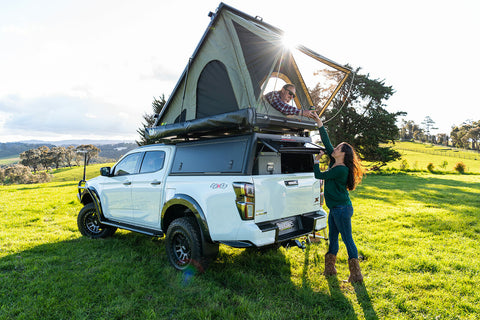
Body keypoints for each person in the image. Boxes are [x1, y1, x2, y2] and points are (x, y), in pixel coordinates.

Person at [312, 112, 365, 283]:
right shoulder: (336, 162)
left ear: (343, 154)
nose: (333, 149)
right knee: (333, 237)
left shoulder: (340, 169)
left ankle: (356, 275)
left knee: (347, 239)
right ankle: (330, 270)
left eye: (337, 149)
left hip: (342, 209)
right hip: (335, 209)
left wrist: (316, 160)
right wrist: (319, 122)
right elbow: (326, 141)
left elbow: (319, 175)